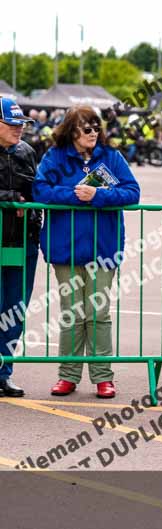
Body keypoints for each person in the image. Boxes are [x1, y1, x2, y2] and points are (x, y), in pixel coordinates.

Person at [33, 105, 141, 398]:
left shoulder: (112, 157)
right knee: (71, 314)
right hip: (65, 248)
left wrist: (99, 195)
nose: (93, 133)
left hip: (103, 248)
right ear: (71, 130)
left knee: (98, 313)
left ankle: (103, 376)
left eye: (96, 127)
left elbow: (133, 192)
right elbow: (40, 190)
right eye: (86, 128)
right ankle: (67, 375)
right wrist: (75, 195)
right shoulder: (54, 157)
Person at [0, 98, 41, 397]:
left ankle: (5, 371)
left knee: (15, 310)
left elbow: (38, 190)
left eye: (21, 124)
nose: (19, 129)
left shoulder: (27, 151)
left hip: (22, 242)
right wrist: (11, 197)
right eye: (12, 124)